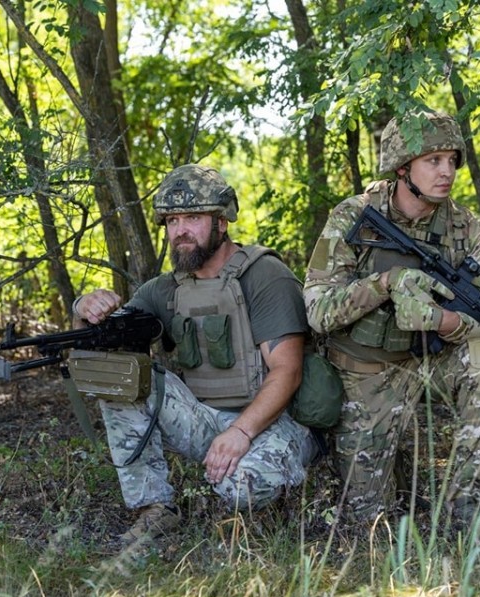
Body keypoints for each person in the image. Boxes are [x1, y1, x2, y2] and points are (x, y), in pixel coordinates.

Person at [73, 164, 318, 541]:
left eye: (193, 217)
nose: (181, 230)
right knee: (123, 377)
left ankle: (278, 508)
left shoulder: (265, 276)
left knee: (241, 489)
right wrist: (84, 308)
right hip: (204, 417)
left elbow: (288, 371)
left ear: (222, 222)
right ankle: (155, 507)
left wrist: (240, 432)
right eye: (172, 220)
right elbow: (102, 343)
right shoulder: (164, 289)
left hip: (274, 422)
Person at [303, 110, 480, 527]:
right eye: (433, 161)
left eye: (452, 160)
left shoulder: (466, 228)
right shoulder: (353, 216)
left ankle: (464, 506)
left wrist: (447, 323)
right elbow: (318, 312)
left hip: (431, 363)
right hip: (365, 374)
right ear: (402, 167)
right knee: (367, 520)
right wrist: (385, 284)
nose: (447, 172)